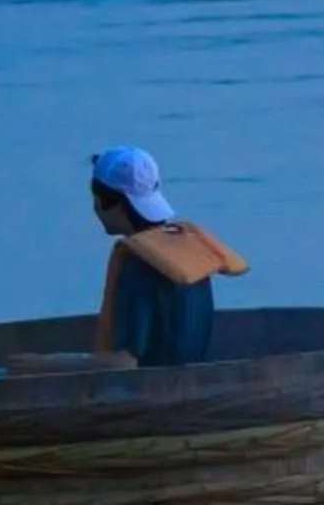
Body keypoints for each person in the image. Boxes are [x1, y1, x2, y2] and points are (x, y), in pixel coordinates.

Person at [89, 143, 246, 368]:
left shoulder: (138, 263)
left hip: (147, 386)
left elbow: (123, 363)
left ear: (108, 203)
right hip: (188, 377)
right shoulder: (189, 249)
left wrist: (44, 366)